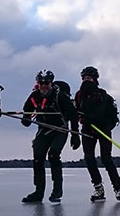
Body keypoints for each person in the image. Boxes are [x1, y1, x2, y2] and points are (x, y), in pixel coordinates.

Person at [20, 70, 81, 203]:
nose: (44, 86)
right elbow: (27, 111)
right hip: (44, 130)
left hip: (60, 129)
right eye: (41, 83)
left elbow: (73, 115)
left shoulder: (60, 97)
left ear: (51, 82)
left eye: (46, 83)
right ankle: (38, 192)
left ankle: (57, 191)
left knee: (53, 154)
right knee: (38, 158)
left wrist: (75, 135)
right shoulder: (34, 96)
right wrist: (25, 119)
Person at [74, 66, 120, 202]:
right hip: (87, 130)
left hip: (103, 130)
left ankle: (118, 187)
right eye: (83, 78)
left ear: (95, 79)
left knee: (106, 159)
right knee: (89, 159)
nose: (85, 81)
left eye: (88, 78)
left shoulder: (103, 94)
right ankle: (98, 188)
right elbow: (74, 111)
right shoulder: (79, 95)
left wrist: (87, 118)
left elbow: (99, 114)